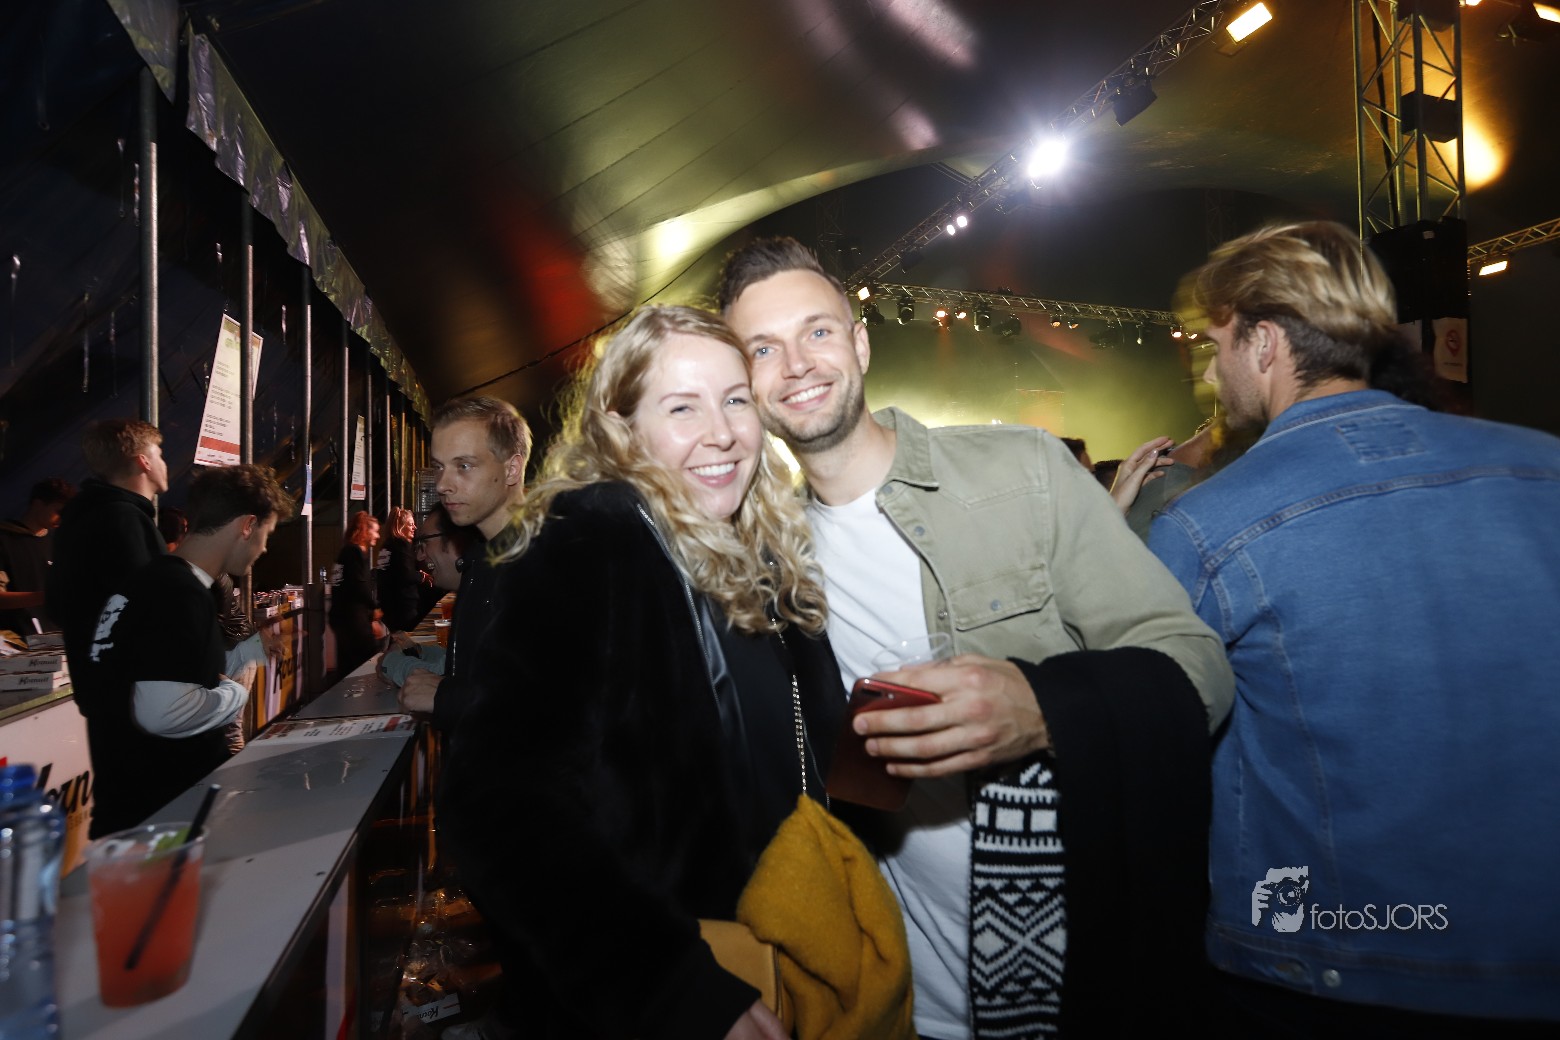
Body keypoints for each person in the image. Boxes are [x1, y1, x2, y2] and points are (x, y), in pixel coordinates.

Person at [718, 237, 1235, 1038]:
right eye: (762, 348)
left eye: (817, 331)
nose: (796, 365)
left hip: (1087, 970)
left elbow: (1200, 670)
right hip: (900, 993)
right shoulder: (763, 555)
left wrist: (1043, 709)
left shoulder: (1022, 472)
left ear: (860, 343)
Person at [1149, 221, 1560, 1034]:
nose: (1212, 369)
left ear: (1265, 342)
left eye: (1215, 345)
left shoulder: (1205, 524)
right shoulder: (1543, 465)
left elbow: (1157, 743)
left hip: (1330, 965)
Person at [437, 306, 850, 1040]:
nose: (721, 433)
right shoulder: (587, 544)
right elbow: (499, 810)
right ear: (622, 430)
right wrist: (670, 987)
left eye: (734, 400)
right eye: (682, 408)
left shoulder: (767, 554)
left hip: (787, 937)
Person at [82, 464, 291, 837]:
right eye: (267, 534)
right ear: (247, 525)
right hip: (162, 823)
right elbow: (163, 712)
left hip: (138, 813)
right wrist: (235, 693)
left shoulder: (155, 581)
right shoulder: (179, 593)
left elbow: (172, 668)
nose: (264, 548)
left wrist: (244, 655)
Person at [396, 396, 530, 731]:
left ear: (511, 469)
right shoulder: (482, 559)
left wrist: (447, 697)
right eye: (439, 467)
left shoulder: (545, 562)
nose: (443, 485)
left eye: (464, 466)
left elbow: (569, 705)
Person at [49, 419, 170, 755]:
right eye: (159, 454)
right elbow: (149, 609)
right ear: (143, 461)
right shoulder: (122, 520)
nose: (164, 463)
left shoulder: (82, 517)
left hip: (106, 694)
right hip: (136, 699)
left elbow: (57, 604)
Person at [376, 505, 471, 687]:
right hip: (402, 607)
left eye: (425, 542)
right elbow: (453, 661)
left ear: (456, 541)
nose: (419, 555)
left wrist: (390, 663)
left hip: (392, 609)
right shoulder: (480, 594)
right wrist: (421, 651)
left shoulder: (487, 599)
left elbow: (444, 676)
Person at [0, 477, 73, 635]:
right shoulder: (4, 539)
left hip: (53, 638)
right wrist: (45, 597)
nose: (62, 520)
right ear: (38, 504)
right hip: (15, 640)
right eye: (58, 512)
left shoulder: (57, 544)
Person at [329, 510, 382, 676]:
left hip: (343, 618)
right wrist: (374, 607)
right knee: (365, 660)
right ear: (364, 531)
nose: (378, 536)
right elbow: (360, 586)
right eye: (375, 531)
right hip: (351, 618)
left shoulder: (346, 552)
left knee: (347, 665)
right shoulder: (354, 553)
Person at [377, 505, 424, 632]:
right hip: (403, 606)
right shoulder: (402, 545)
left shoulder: (386, 546)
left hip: (388, 607)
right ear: (401, 526)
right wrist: (421, 576)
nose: (415, 528)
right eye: (411, 524)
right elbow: (406, 575)